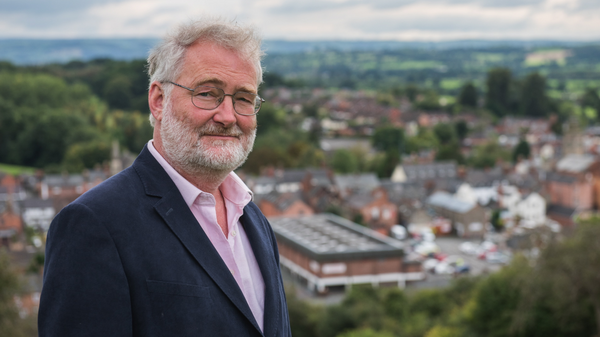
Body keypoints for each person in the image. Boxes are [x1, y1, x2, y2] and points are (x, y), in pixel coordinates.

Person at [38, 17, 291, 337]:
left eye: (243, 98)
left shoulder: (253, 219)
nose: (228, 116)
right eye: (208, 93)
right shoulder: (94, 224)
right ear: (158, 100)